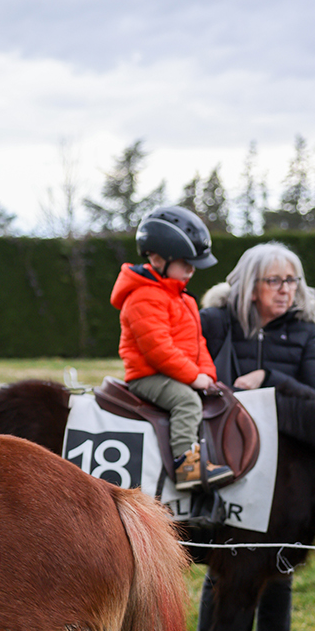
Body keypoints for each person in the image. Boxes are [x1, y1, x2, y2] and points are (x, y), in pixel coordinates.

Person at [193, 241, 315, 631]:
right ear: (250, 286)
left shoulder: (303, 331)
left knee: (279, 569)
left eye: (292, 280)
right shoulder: (215, 323)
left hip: (285, 472)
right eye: (275, 280)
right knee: (224, 566)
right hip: (226, 457)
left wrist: (270, 376)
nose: (286, 290)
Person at [110, 205, 236, 490]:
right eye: (186, 263)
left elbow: (197, 343)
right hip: (148, 376)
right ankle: (187, 469)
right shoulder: (143, 297)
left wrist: (207, 374)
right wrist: (193, 378)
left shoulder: (183, 298)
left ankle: (208, 455)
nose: (192, 271)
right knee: (186, 401)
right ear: (157, 257)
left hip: (176, 371)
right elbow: (158, 350)